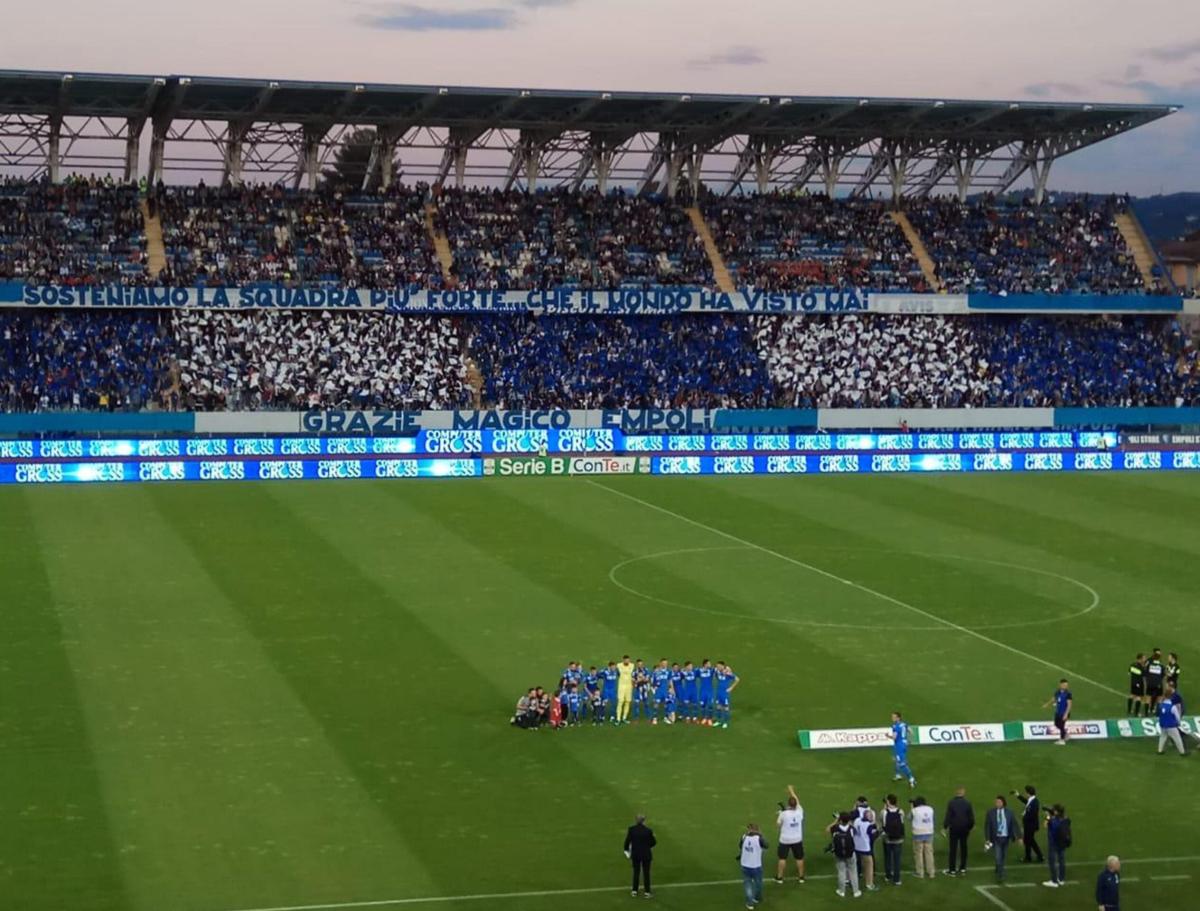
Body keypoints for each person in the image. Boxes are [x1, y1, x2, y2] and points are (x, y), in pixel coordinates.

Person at [983, 795, 1019, 882]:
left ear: (1003, 803)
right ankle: (1001, 874)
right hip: (996, 838)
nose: (997, 803)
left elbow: (1014, 824)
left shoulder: (1009, 812)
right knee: (998, 857)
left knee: (1003, 856)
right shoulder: (990, 812)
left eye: (999, 802)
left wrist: (1019, 837)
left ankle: (998, 867)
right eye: (996, 802)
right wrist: (987, 838)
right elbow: (987, 826)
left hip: (1005, 838)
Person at [774, 784, 805, 884]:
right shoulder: (800, 811)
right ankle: (801, 877)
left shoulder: (783, 814)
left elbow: (778, 825)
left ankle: (779, 878)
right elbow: (796, 800)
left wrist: (780, 815)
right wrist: (791, 791)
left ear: (788, 804)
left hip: (785, 839)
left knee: (782, 858)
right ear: (796, 805)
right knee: (799, 858)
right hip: (797, 839)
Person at [828, 812, 862, 898]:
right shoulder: (851, 829)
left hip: (839, 854)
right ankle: (856, 891)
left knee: (841, 872)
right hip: (850, 853)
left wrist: (836, 820)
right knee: (853, 871)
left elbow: (827, 829)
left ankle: (841, 891)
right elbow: (855, 832)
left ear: (840, 820)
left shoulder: (835, 828)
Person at [942, 786, 974, 876]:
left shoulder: (952, 803)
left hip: (954, 828)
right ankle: (963, 868)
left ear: (956, 792)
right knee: (964, 847)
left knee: (953, 848)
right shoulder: (967, 803)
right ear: (963, 793)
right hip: (964, 828)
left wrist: (945, 827)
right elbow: (971, 818)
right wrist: (969, 827)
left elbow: (948, 816)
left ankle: (952, 869)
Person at [624, 813, 656, 899]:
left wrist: (626, 850)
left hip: (635, 854)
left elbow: (627, 841)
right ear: (644, 821)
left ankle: (634, 891)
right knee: (646, 873)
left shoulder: (631, 829)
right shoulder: (648, 831)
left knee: (636, 872)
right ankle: (647, 892)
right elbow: (653, 843)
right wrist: (647, 846)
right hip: (646, 854)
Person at [738, 822, 768, 909]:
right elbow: (767, 845)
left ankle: (750, 902)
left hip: (745, 865)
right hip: (756, 865)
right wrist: (761, 836)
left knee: (748, 884)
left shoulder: (744, 837)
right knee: (758, 883)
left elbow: (740, 846)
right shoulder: (759, 838)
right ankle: (757, 898)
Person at [1012, 784, 1044, 863]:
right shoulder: (1032, 800)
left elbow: (1032, 813)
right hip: (1030, 825)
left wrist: (1024, 815)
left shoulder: (1035, 802)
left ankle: (1029, 857)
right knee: (1030, 840)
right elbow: (1027, 802)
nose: (1025, 794)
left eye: (1026, 792)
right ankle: (1038, 856)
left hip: (1030, 825)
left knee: (1028, 840)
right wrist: (1018, 795)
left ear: (1028, 793)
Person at [1043, 803, 1071, 887]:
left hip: (1054, 843)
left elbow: (1045, 825)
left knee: (1052, 861)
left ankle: (1054, 881)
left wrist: (1048, 817)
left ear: (1056, 812)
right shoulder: (1066, 819)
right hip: (1062, 842)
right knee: (1061, 860)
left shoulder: (1053, 820)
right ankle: (1061, 879)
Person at [850, 804, 877, 891]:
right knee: (869, 866)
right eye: (871, 816)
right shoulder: (868, 825)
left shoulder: (857, 820)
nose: (872, 817)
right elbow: (872, 837)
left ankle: (852, 882)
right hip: (865, 848)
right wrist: (878, 832)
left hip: (856, 847)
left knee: (856, 865)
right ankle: (869, 884)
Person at [1156, 681, 1187, 756]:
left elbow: (1158, 714)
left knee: (1163, 736)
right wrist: (1178, 722)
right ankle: (1182, 752)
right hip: (1171, 725)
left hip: (1162, 724)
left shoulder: (1161, 705)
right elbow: (1177, 715)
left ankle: (1160, 750)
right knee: (1177, 738)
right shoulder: (1172, 707)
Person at [879, 794, 905, 885]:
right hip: (898, 839)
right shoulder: (901, 811)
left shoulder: (884, 812)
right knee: (897, 859)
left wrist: (884, 808)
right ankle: (897, 879)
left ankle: (888, 875)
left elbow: (882, 822)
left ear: (888, 802)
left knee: (888, 858)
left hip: (887, 838)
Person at [888, 711, 916, 787]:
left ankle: (911, 778)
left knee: (902, 764)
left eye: (894, 717)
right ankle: (897, 775)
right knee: (896, 759)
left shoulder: (895, 726)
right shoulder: (904, 724)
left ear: (898, 718)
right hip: (903, 744)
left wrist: (888, 736)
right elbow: (911, 731)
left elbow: (894, 737)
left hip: (899, 745)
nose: (892, 718)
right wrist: (910, 740)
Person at [910, 796, 935, 879]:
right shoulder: (930, 809)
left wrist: (911, 807)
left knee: (918, 854)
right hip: (929, 832)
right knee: (929, 853)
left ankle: (920, 872)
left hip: (918, 833)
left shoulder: (914, 810)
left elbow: (909, 817)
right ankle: (931, 872)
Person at [1042, 678, 1073, 745]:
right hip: (1058, 712)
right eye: (1064, 685)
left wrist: (1066, 714)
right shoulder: (1057, 692)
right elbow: (1054, 699)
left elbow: (1069, 705)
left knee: (1062, 725)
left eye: (1066, 685)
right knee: (1056, 724)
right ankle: (1066, 734)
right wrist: (1047, 704)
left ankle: (1062, 740)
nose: (1066, 686)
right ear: (1060, 685)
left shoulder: (1068, 694)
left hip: (1064, 713)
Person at [714, 660, 739, 728]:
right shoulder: (717, 671)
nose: (718, 667)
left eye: (719, 666)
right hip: (719, 692)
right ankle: (718, 721)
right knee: (718, 706)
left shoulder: (728, 673)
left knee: (725, 708)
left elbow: (737, 679)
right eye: (717, 666)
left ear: (723, 666)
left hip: (725, 692)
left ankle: (725, 722)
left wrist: (731, 688)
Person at [651, 659, 672, 725]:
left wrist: (671, 689)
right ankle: (655, 718)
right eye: (663, 663)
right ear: (660, 663)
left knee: (666, 704)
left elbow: (670, 680)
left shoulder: (668, 671)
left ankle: (666, 718)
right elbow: (652, 681)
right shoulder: (656, 672)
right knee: (656, 704)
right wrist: (654, 689)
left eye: (666, 663)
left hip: (665, 690)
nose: (665, 664)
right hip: (659, 690)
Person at [616, 655, 636, 724]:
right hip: (621, 686)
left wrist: (634, 683)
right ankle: (618, 719)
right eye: (626, 660)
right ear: (623, 660)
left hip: (629, 686)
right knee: (620, 701)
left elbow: (633, 675)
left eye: (628, 660)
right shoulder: (619, 665)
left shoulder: (632, 665)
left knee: (628, 701)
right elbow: (618, 674)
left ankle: (624, 718)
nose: (627, 661)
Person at [696, 658, 716, 726]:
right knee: (702, 705)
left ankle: (709, 719)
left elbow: (720, 669)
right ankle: (704, 718)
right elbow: (692, 672)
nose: (710, 664)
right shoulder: (699, 670)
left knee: (710, 705)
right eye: (709, 663)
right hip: (702, 691)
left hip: (710, 691)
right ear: (705, 664)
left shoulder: (712, 670)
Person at [1146, 648, 1166, 713]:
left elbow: (1146, 673)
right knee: (1159, 698)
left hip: (1150, 683)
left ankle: (1147, 711)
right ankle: (1157, 712)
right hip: (1158, 684)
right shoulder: (1162, 666)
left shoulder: (1149, 665)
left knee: (1148, 697)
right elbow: (1163, 676)